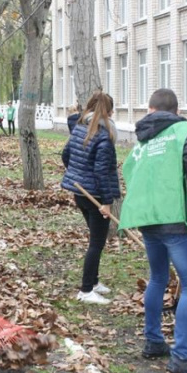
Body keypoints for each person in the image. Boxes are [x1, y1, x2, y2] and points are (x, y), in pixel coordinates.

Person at [119, 88, 187, 373]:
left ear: (151, 108)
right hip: (172, 218)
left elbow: (129, 169)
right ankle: (181, 358)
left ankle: (154, 340)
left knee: (158, 277)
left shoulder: (143, 139)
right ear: (175, 109)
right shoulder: (184, 130)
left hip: (147, 217)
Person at [61, 91, 120, 304]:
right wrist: (106, 203)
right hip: (94, 196)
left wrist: (77, 173)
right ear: (109, 112)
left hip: (81, 193)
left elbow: (65, 155)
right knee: (96, 242)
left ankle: (94, 282)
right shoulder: (104, 137)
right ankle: (86, 290)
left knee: (96, 240)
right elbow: (102, 172)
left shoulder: (80, 128)